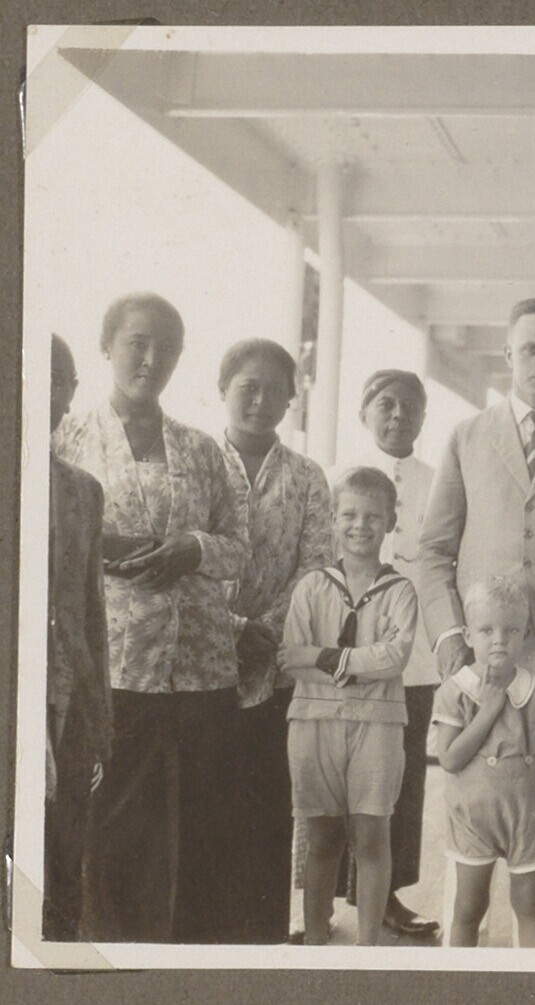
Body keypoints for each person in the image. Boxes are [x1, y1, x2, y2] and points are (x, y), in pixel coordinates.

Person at [417, 297, 535, 947]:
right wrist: (451, 638)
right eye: (531, 349)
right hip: (480, 647)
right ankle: (460, 949)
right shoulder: (466, 437)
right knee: (468, 790)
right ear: (508, 353)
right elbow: (434, 551)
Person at [56, 293, 248, 943]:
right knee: (114, 821)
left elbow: (238, 546)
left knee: (199, 824)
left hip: (199, 665)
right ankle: (115, 952)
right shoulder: (68, 438)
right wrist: (104, 547)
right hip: (116, 665)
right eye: (137, 342)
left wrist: (194, 547)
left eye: (165, 346)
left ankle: (191, 957)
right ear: (106, 346)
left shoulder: (201, 448)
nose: (150, 358)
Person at [218, 338, 334, 944]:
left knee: (267, 804)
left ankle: (262, 935)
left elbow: (316, 566)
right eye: (248, 387)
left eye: (275, 391)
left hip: (277, 663)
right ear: (224, 389)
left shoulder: (308, 477)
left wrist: (263, 630)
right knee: (205, 804)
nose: (261, 401)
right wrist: (231, 628)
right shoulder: (198, 459)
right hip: (200, 660)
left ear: (292, 398)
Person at [279, 467, 417, 946]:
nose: (361, 525)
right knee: (322, 837)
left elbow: (394, 657)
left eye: (373, 516)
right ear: (334, 520)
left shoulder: (400, 591)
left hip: (378, 725)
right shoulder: (312, 587)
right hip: (314, 723)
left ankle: (367, 949)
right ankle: (317, 942)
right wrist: (358, 663)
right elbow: (290, 659)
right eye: (350, 515)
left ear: (391, 521)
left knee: (371, 835)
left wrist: (321, 657)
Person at [339, 369, 441, 937]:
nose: (398, 414)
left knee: (401, 775)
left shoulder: (439, 480)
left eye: (410, 406)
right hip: (349, 654)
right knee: (340, 772)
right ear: (364, 412)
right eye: (386, 404)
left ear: (424, 417)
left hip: (414, 655)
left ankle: (388, 895)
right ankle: (327, 895)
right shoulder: (339, 476)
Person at [433, 575, 535, 948]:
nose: (499, 640)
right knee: (469, 907)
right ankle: (460, 978)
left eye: (511, 630)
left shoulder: (532, 688)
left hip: (525, 811)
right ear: (468, 635)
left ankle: (533, 978)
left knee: (530, 904)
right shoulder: (455, 691)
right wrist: (488, 710)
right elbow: (450, 759)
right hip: (473, 816)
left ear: (525, 634)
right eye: (486, 630)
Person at [44, 335, 113, 942]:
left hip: (66, 704)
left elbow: (92, 615)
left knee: (64, 864)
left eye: (56, 380)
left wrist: (97, 723)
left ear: (70, 394)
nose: (41, 392)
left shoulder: (82, 491)